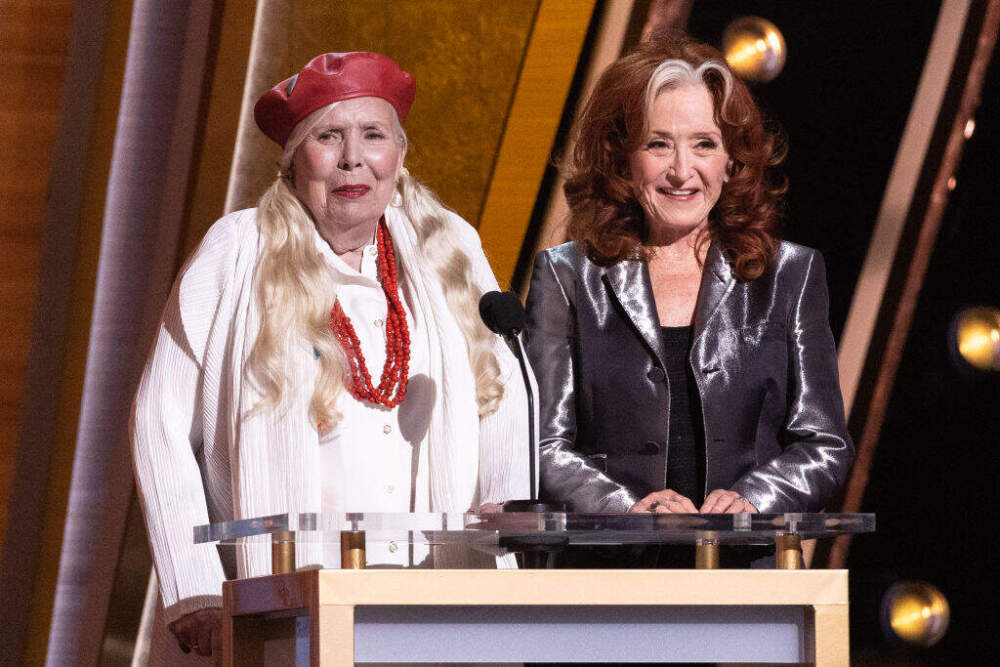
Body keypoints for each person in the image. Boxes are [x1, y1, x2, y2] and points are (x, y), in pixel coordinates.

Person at [132, 52, 530, 662]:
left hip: (434, 601)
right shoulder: (237, 250)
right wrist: (196, 591)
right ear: (294, 161)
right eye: (328, 136)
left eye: (373, 135)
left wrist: (505, 505)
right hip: (292, 602)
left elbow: (500, 393)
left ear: (400, 154)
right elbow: (159, 424)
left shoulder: (448, 245)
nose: (353, 158)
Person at [524, 32, 854, 526]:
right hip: (615, 575)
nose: (682, 171)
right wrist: (625, 508)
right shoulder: (568, 277)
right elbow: (543, 445)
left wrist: (757, 498)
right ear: (622, 158)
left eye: (704, 144)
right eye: (658, 145)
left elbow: (823, 444)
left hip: (745, 576)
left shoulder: (790, 274)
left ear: (732, 160)